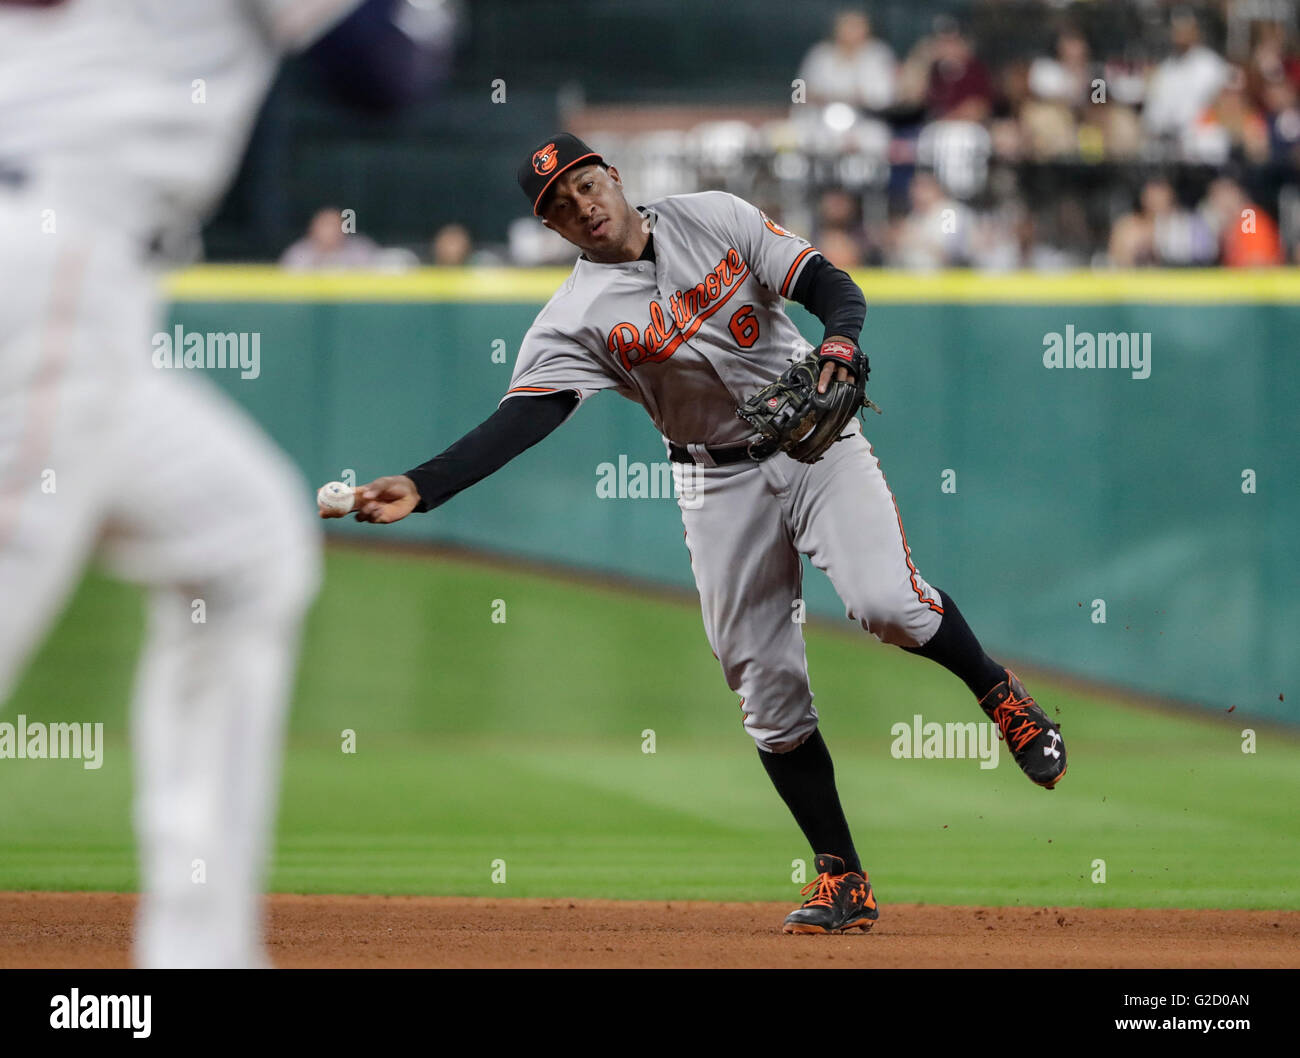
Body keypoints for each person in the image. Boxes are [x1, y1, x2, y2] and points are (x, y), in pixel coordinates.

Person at [329, 134, 1068, 935]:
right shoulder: (574, 317)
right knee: (764, 689)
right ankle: (841, 875)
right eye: (559, 206)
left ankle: (1003, 698)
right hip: (714, 482)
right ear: (554, 231)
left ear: (612, 176)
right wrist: (425, 485)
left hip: (813, 444)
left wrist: (842, 339)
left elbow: (828, 283)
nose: (580, 204)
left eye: (584, 183)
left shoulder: (713, 216)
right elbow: (526, 416)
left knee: (887, 602)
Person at [0, 0, 434, 968]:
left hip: (73, 278)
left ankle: (200, 957)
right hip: (47, 272)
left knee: (247, 548)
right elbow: (384, 72)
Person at [797, 9, 897, 113]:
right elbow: (800, 91)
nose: (851, 31)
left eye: (856, 26)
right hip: (820, 118)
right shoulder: (820, 54)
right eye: (847, 26)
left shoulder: (879, 54)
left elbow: (886, 96)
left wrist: (858, 99)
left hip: (867, 119)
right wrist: (815, 97)